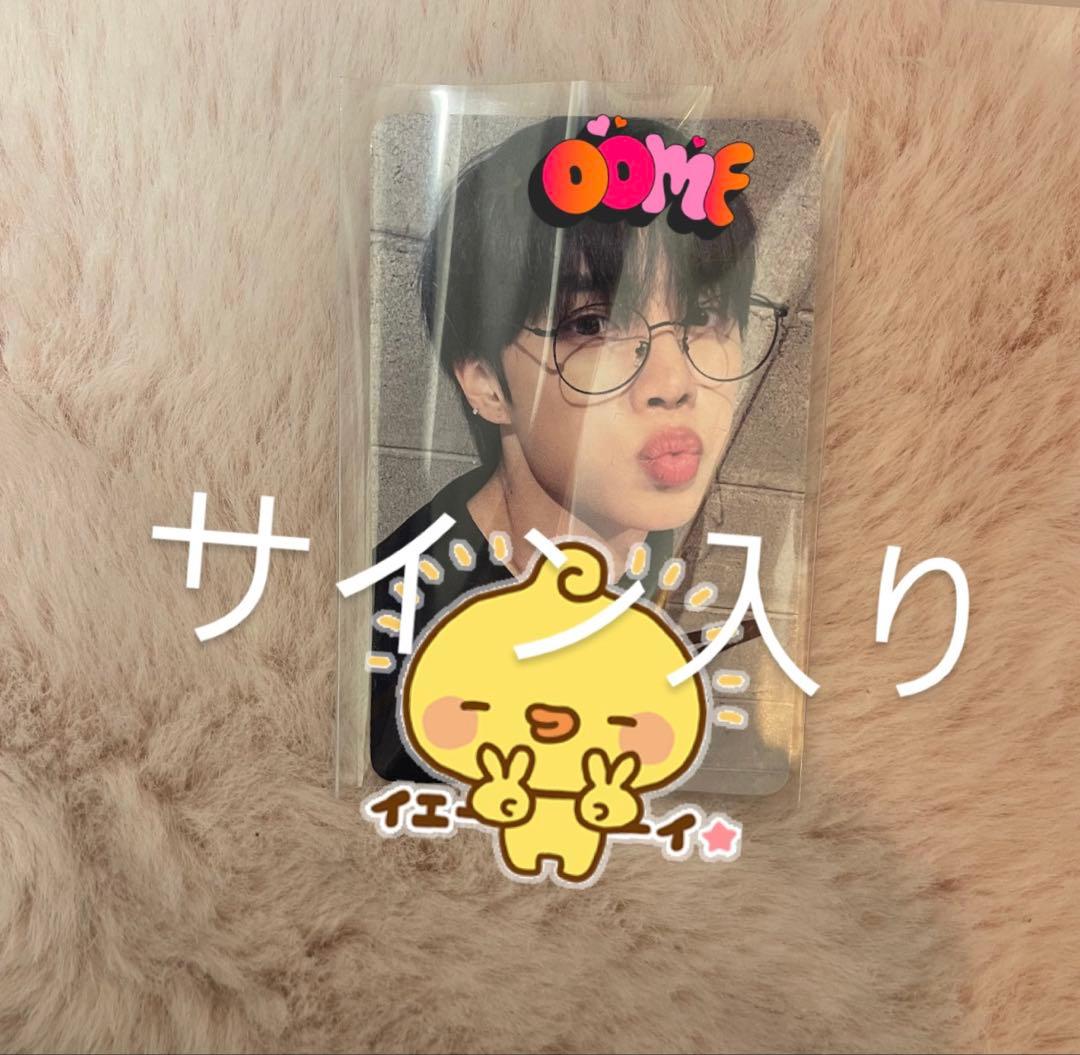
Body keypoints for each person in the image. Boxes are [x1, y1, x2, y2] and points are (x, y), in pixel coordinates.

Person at [368, 115, 774, 782]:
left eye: (702, 315)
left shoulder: (637, 526)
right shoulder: (407, 659)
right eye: (592, 324)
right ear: (486, 382)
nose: (675, 383)